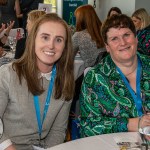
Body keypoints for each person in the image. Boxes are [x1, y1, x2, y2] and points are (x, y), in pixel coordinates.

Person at [0, 13, 75, 149]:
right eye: (45, 37)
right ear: (33, 39)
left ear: (65, 47)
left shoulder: (65, 82)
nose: (51, 46)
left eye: (58, 40)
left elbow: (58, 130)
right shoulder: (8, 74)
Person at [79, 14, 150, 138]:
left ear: (136, 38)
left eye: (126, 35)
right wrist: (130, 124)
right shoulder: (95, 78)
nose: (122, 42)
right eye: (114, 39)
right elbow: (88, 126)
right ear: (107, 47)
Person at [72, 4, 105, 69]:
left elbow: (68, 56)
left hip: (91, 74)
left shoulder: (78, 36)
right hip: (108, 71)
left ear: (80, 19)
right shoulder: (104, 31)